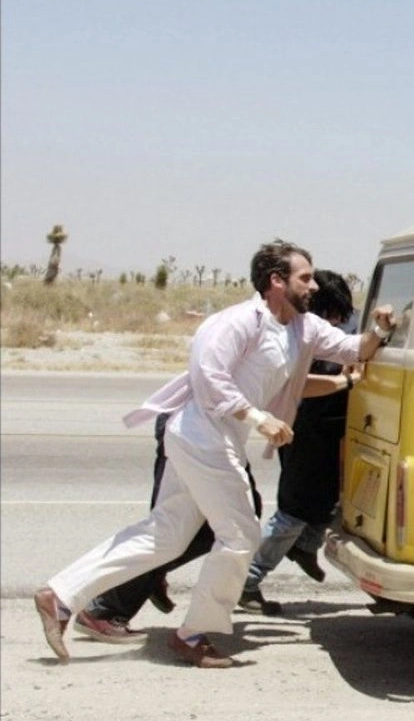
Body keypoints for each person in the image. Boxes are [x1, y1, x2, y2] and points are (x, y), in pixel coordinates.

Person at [33, 240, 394, 668]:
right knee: (241, 535)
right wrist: (259, 418)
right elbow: (208, 376)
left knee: (166, 534)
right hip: (201, 434)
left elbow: (354, 350)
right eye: (305, 278)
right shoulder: (237, 321)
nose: (313, 286)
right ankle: (193, 634)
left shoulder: (304, 327)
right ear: (277, 281)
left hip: (217, 440)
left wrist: (380, 330)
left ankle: (60, 595)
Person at [69, 413, 262, 643]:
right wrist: (261, 418)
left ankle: (145, 577)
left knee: (218, 525)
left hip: (212, 433)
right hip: (196, 431)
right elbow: (216, 391)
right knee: (185, 529)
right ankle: (105, 606)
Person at [239, 270, 359, 615]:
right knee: (293, 512)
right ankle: (246, 581)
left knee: (326, 503)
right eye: (334, 313)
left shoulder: (309, 336)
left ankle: (305, 547)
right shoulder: (309, 341)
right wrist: (345, 381)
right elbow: (303, 386)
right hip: (306, 438)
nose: (338, 321)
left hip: (315, 437)